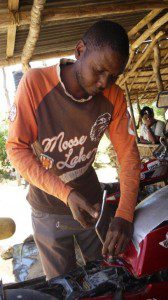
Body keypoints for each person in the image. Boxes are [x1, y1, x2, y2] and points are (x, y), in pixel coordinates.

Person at [6, 20, 141, 280]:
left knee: (106, 276)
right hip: (48, 209)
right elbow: (16, 149)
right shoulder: (36, 84)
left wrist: (124, 214)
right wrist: (66, 194)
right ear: (80, 50)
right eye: (99, 70)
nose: (105, 82)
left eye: (113, 76)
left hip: (92, 205)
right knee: (62, 285)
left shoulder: (114, 96)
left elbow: (128, 155)